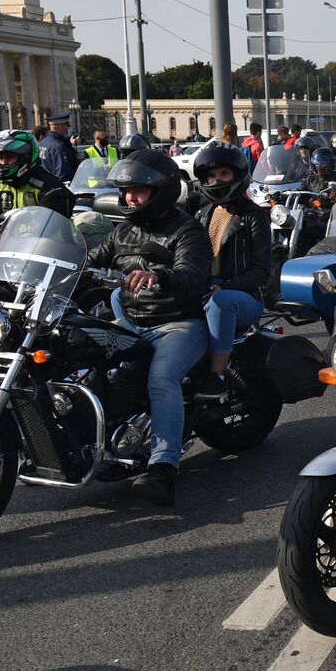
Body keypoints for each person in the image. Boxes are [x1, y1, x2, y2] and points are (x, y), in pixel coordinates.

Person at [85, 149, 212, 506]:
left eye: (138, 190)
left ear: (162, 190)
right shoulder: (122, 231)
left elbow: (193, 274)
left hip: (177, 324)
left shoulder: (187, 230)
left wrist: (159, 276)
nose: (129, 198)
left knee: (162, 379)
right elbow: (90, 262)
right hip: (128, 320)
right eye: (125, 191)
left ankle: (163, 469)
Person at [188, 141, 272, 401]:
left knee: (219, 302)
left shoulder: (254, 216)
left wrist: (226, 286)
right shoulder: (203, 213)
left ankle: (218, 375)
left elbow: (262, 271)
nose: (217, 180)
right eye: (211, 175)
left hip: (243, 296)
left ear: (238, 176)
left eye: (224, 174)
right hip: (206, 288)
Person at [0, 129, 72, 234]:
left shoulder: (48, 186)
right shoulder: (2, 187)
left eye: (9, 157)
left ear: (25, 156)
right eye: (0, 158)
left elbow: (48, 226)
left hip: (50, 247)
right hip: (14, 248)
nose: (4, 163)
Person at [292, 146, 336, 258]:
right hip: (310, 214)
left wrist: (331, 196)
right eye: (317, 163)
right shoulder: (311, 179)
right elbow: (299, 192)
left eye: (322, 163)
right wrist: (283, 195)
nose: (319, 166)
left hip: (329, 215)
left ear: (331, 164)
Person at [39, 111, 81, 183]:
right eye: (67, 126)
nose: (67, 129)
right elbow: (62, 173)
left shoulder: (43, 142)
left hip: (47, 183)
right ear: (61, 126)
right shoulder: (58, 145)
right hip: (60, 186)